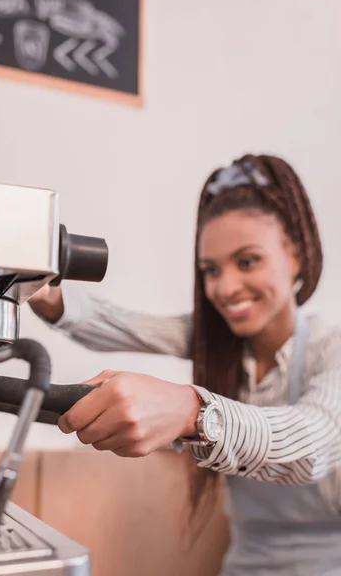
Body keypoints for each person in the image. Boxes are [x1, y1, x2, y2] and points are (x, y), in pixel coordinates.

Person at [29, 154, 341, 575]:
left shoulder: (330, 349)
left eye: (248, 261)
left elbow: (314, 443)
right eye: (210, 270)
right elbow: (127, 327)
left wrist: (196, 414)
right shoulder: (220, 344)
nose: (226, 288)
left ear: (297, 255)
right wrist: (41, 291)